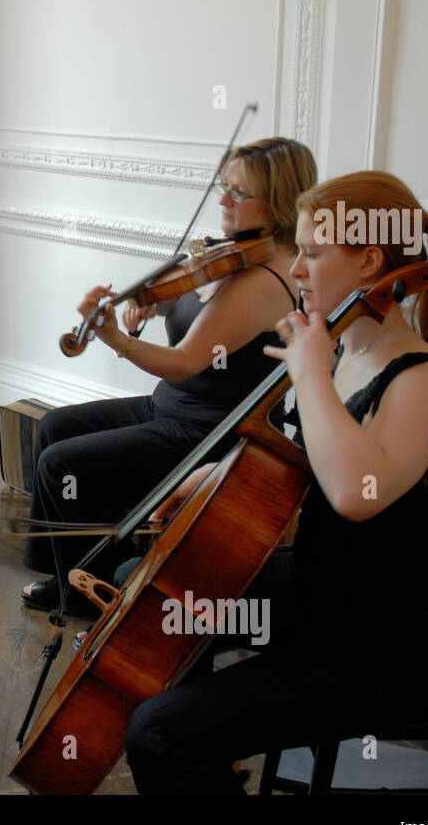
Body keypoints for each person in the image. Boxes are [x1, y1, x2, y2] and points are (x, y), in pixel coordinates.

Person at [123, 170, 428, 793]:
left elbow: (354, 495)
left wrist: (309, 375)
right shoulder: (345, 354)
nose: (297, 269)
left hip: (374, 637)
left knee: (158, 733)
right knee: (154, 593)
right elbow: (308, 466)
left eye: (312, 252)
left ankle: (198, 746)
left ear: (369, 262)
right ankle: (215, 758)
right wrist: (212, 476)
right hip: (317, 592)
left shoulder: (421, 379)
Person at [21, 137, 316, 615]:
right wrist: (151, 303)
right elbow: (196, 316)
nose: (222, 201)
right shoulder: (237, 253)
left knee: (63, 463)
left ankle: (90, 598)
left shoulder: (264, 280)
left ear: (280, 201)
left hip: (207, 433)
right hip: (170, 405)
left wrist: (119, 340)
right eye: (224, 187)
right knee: (56, 426)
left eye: (239, 194)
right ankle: (71, 573)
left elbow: (185, 361)